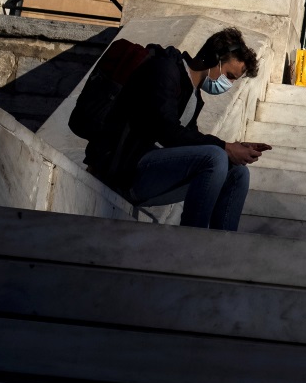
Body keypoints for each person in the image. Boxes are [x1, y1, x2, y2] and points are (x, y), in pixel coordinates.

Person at [83, 28, 271, 231]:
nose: (230, 84)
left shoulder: (193, 94)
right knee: (215, 157)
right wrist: (224, 147)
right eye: (229, 75)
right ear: (212, 58)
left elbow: (189, 139)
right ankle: (189, 240)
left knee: (237, 173)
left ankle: (220, 250)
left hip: (149, 171)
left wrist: (234, 148)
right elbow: (166, 131)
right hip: (122, 168)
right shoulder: (165, 70)